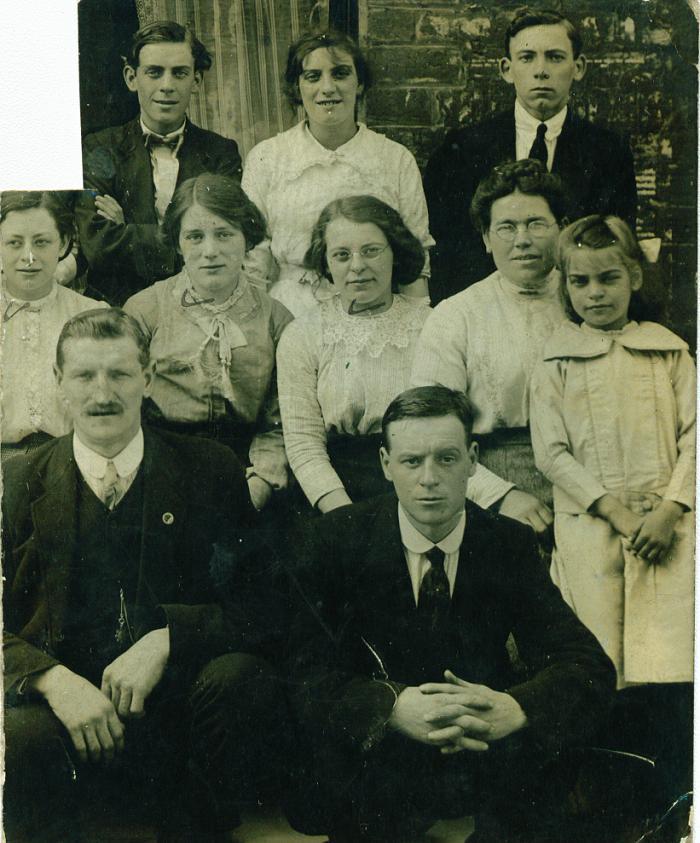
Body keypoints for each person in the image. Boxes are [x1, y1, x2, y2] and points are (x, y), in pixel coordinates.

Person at [285, 385, 616, 842]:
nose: (429, 479)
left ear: (473, 459)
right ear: (385, 464)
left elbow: (587, 665)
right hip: (378, 763)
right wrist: (392, 707)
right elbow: (304, 674)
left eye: (446, 458)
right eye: (411, 461)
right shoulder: (335, 541)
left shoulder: (508, 544)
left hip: (479, 749)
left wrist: (516, 707)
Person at [2, 308, 276, 843]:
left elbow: (266, 602)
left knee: (238, 679)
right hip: (63, 724)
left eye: (120, 374)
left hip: (175, 718)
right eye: (84, 375)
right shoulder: (16, 481)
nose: (102, 392)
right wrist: (51, 680)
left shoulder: (209, 468)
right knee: (14, 733)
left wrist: (168, 639)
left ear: (147, 378)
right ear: (59, 383)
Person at [530, 215, 694, 803]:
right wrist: (616, 513)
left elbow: (695, 438)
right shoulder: (557, 361)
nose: (594, 294)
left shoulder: (668, 353)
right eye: (580, 282)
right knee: (600, 661)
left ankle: (669, 798)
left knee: (667, 659)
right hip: (593, 530)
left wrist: (671, 508)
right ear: (565, 286)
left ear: (634, 276)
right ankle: (604, 799)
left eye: (608, 279)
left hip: (667, 532)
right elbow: (551, 452)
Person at [276, 195, 507, 515]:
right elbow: (304, 446)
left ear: (395, 253)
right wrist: (345, 516)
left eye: (371, 251)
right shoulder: (303, 335)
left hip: (425, 482)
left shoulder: (435, 324)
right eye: (342, 255)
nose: (357, 266)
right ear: (326, 262)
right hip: (339, 495)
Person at [424, 8, 637, 302]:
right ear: (507, 69)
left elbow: (614, 245)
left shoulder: (608, 152)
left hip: (574, 309)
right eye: (527, 57)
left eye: (555, 56)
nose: (541, 70)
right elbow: (446, 248)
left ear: (579, 67)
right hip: (488, 310)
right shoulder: (461, 150)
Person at [413, 160, 566, 535]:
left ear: (561, 229)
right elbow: (431, 429)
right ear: (485, 238)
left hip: (585, 480)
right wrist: (500, 495)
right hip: (487, 483)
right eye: (507, 227)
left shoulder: (587, 304)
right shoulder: (456, 316)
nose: (522, 240)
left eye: (536, 223)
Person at [124, 174, 292, 512]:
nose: (210, 251)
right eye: (195, 237)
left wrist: (260, 483)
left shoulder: (276, 319)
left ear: (247, 239)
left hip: (246, 471)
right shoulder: (145, 310)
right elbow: (126, 405)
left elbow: (280, 420)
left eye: (225, 234)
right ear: (177, 243)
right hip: (158, 470)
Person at [242, 30, 433, 316]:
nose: (328, 87)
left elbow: (416, 261)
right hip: (292, 313)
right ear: (298, 87)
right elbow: (253, 258)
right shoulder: (267, 158)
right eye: (313, 76)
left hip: (376, 311)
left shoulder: (394, 159)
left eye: (340, 74)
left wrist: (417, 329)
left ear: (359, 84)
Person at [75, 21, 242, 305]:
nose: (167, 86)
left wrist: (127, 228)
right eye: (154, 72)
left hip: (197, 303)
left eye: (179, 73)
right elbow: (99, 245)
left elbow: (220, 241)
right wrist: (183, 237)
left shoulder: (220, 154)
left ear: (196, 81)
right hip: (119, 305)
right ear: (131, 78)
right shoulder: (99, 148)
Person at [0, 190, 106, 458]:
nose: (29, 257)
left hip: (69, 461)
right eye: (14, 243)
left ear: (63, 243)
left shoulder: (91, 316)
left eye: (41, 242)